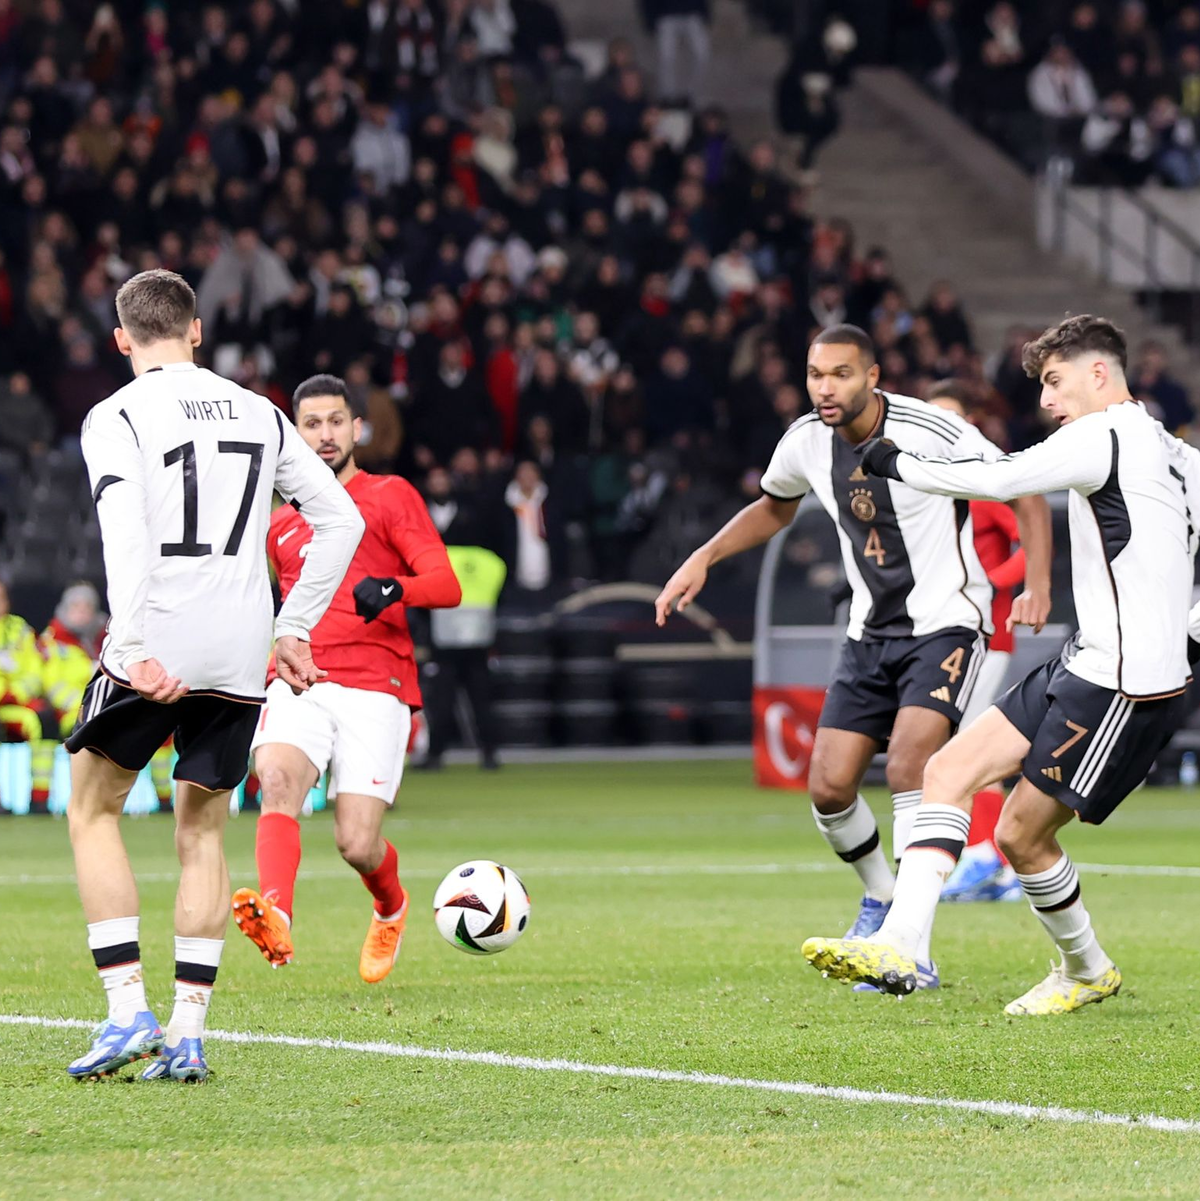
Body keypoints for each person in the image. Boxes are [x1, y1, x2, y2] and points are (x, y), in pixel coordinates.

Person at [802, 315, 1199, 1014]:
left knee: (1019, 833)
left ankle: (1084, 967)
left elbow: (1003, 476)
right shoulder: (1173, 450)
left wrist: (898, 464)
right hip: (1087, 660)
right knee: (946, 772)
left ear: (1099, 374)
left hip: (1125, 687)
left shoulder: (1103, 433)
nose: (1046, 400)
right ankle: (904, 943)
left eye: (1054, 380)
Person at [655, 325, 1052, 989]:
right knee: (829, 788)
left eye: (840, 373)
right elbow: (773, 507)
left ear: (873, 376)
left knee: (909, 765)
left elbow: (1026, 493)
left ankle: (910, 948)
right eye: (815, 374)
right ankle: (881, 899)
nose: (825, 387)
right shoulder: (806, 439)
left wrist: (1037, 583)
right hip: (870, 633)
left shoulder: (933, 429)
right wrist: (703, 556)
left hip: (948, 624)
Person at [65, 270, 364, 1082]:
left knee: (93, 807)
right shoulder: (258, 409)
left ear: (123, 340)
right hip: (240, 646)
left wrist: (131, 644)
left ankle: (128, 1009)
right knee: (202, 828)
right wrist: (293, 623)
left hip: (158, 630)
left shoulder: (115, 414)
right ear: (197, 331)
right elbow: (342, 516)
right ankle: (190, 1033)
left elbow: (123, 531)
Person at [232, 373, 461, 983]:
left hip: (376, 684)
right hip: (302, 678)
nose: (325, 434)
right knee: (276, 778)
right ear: (294, 436)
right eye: (311, 424)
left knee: (357, 844)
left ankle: (391, 905)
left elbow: (447, 585)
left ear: (357, 428)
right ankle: (276, 912)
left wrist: (394, 589)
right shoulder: (279, 524)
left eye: (336, 421)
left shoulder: (389, 495)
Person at [926, 382, 1027, 903]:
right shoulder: (933, 485)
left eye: (951, 418)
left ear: (971, 424)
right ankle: (1003, 866)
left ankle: (986, 854)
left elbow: (1030, 544)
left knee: (968, 745)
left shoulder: (983, 488)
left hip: (990, 633)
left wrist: (992, 585)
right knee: (961, 745)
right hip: (949, 633)